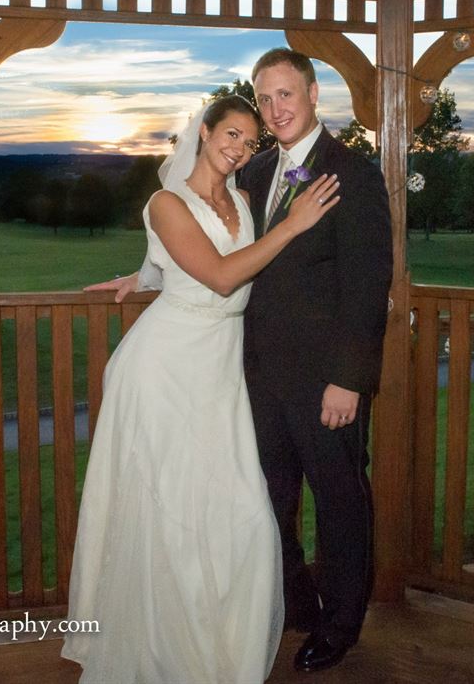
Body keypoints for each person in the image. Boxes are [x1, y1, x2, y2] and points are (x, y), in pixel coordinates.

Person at [96, 48, 393, 673]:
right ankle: (296, 603)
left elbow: (369, 287)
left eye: (287, 94)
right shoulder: (253, 172)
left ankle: (340, 625)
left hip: (324, 382)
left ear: (312, 94)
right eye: (265, 98)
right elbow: (210, 243)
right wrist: (146, 274)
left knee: (339, 498)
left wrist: (348, 379)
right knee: (266, 503)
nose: (276, 108)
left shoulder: (352, 174)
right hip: (250, 376)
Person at [61, 93, 341, 683]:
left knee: (243, 514)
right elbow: (218, 275)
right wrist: (294, 224)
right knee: (167, 514)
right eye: (231, 133)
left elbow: (197, 261)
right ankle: (160, 647)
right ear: (205, 131)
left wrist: (143, 273)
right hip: (164, 368)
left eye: (250, 141)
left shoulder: (243, 199)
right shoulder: (165, 202)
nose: (240, 148)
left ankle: (217, 644)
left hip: (220, 368)